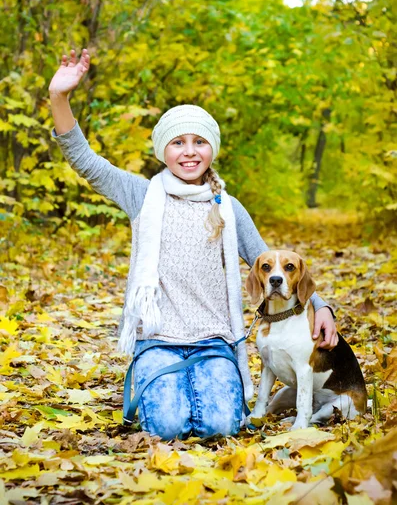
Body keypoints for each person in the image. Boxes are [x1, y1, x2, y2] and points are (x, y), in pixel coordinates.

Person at [49, 48, 338, 440]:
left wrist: (321, 307)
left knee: (218, 426)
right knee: (168, 425)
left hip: (212, 341)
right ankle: (152, 382)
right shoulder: (141, 195)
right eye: (178, 142)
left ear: (212, 150)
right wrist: (60, 97)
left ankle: (195, 386)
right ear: (163, 150)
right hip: (157, 339)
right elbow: (85, 160)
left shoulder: (228, 208)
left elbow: (271, 264)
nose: (189, 151)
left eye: (199, 142)